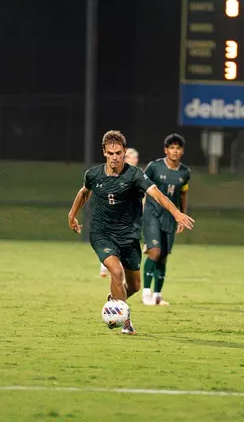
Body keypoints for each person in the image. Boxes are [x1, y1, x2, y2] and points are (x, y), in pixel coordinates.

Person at [68, 130, 194, 335]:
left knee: (134, 286)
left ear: (124, 152)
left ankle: (113, 303)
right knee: (115, 272)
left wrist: (177, 213)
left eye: (118, 153)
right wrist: (72, 215)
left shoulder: (135, 175)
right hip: (102, 233)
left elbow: (157, 194)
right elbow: (84, 192)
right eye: (111, 153)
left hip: (128, 236)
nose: (115, 157)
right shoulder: (93, 175)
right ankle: (125, 322)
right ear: (104, 152)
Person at [141, 134, 191, 306]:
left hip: (170, 216)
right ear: (166, 150)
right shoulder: (154, 167)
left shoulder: (185, 172)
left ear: (182, 151)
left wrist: (181, 217)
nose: (175, 151)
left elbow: (183, 194)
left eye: (178, 148)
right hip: (152, 213)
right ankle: (146, 293)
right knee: (154, 251)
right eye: (171, 147)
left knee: (163, 256)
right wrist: (139, 208)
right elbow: (142, 186)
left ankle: (157, 295)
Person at [99, 147, 140, 277]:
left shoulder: (138, 175)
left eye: (134, 157)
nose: (131, 160)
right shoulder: (116, 173)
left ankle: (117, 266)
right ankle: (106, 263)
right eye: (128, 157)